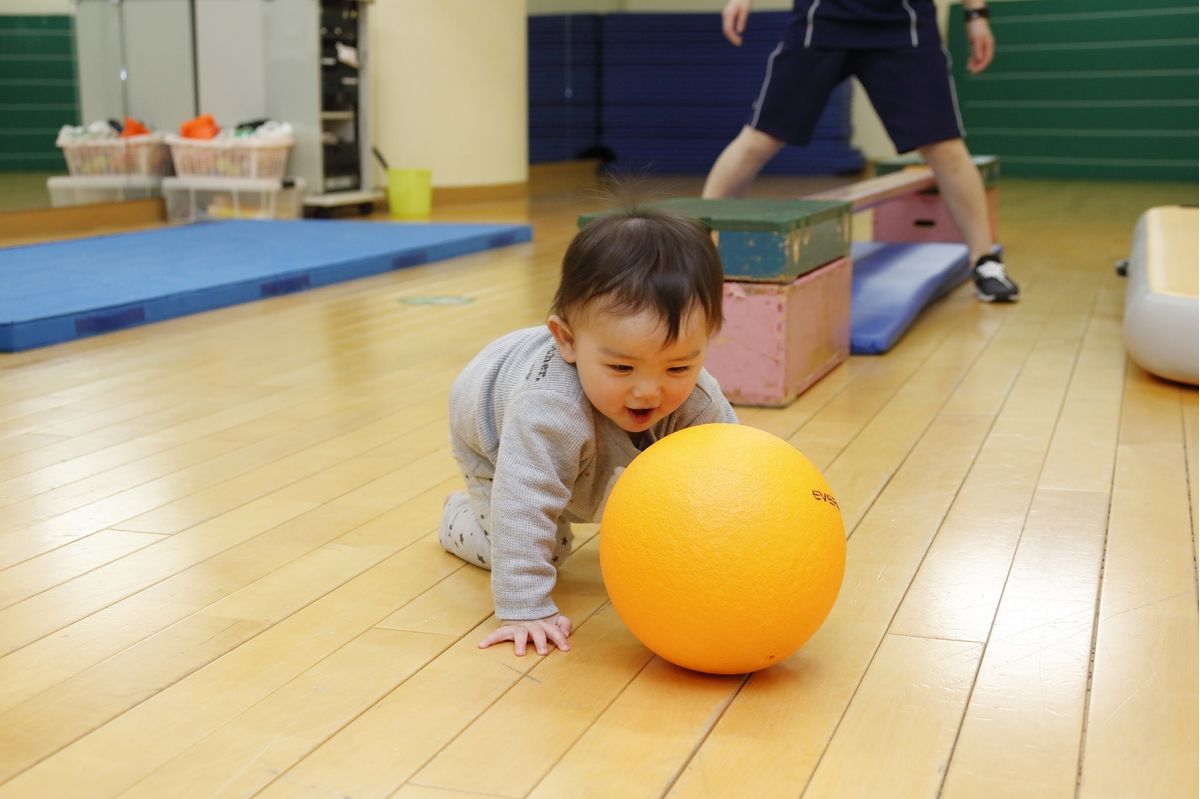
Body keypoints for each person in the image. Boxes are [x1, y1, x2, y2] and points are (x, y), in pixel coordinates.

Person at [440, 207, 738, 656]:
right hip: (491, 431)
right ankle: (459, 517)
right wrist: (524, 608)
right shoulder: (548, 410)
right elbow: (524, 505)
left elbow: (734, 471)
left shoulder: (698, 397)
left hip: (565, 440)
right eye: (621, 367)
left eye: (678, 366)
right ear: (567, 340)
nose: (648, 391)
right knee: (547, 546)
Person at [703, 0, 1020, 303]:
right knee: (760, 137)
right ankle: (694, 247)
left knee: (945, 146)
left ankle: (984, 259)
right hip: (823, 19)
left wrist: (976, 15)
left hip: (903, 22)